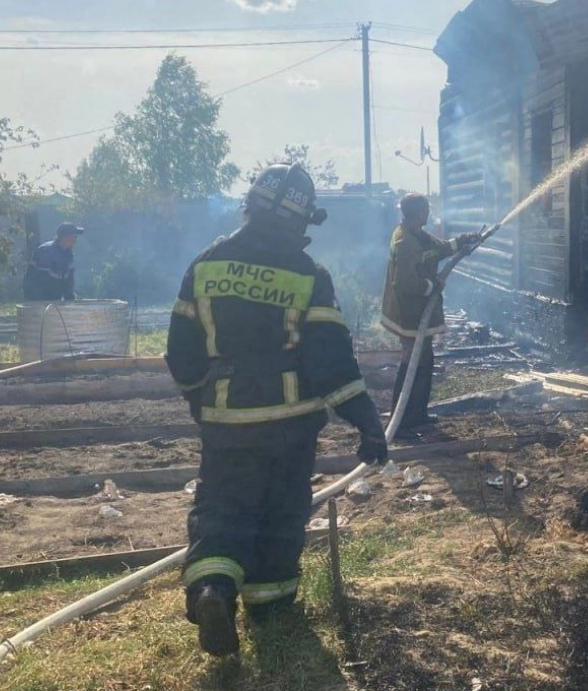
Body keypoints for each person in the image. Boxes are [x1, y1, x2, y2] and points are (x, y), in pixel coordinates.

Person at [165, 163, 389, 656]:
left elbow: (180, 352)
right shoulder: (308, 275)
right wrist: (367, 421)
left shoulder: (206, 265)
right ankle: (270, 607)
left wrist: (200, 398)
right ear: (301, 220)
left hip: (226, 422)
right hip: (290, 426)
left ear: (249, 205)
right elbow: (330, 362)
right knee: (281, 512)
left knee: (223, 508)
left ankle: (213, 589)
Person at [380, 194, 481, 438]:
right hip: (408, 313)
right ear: (418, 213)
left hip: (418, 310)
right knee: (412, 361)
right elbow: (405, 283)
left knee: (425, 358)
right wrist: (432, 285)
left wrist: (463, 241)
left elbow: (439, 249)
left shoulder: (418, 234)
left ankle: (417, 415)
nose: (429, 212)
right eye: (426, 209)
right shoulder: (405, 242)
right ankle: (401, 423)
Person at [22, 222, 84, 301]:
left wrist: (69, 297)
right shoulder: (47, 251)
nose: (75, 240)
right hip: (37, 297)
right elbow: (42, 280)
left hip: (54, 298)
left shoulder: (68, 254)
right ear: (65, 237)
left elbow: (69, 279)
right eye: (73, 236)